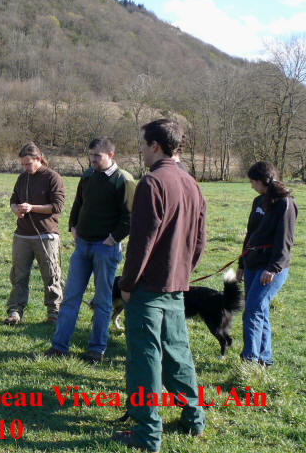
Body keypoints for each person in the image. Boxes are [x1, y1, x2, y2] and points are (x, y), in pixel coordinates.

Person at [112, 119, 207, 452]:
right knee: (178, 353)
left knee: (145, 361)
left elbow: (141, 242)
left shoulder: (152, 183)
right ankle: (194, 418)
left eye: (142, 143)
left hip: (148, 291)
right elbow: (200, 242)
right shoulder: (191, 183)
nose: (140, 149)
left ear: (155, 145)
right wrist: (182, 272)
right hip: (176, 286)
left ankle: (146, 433)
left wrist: (128, 284)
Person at [46, 137, 135, 363]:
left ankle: (96, 349)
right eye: (91, 155)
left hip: (106, 250)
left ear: (110, 156)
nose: (93, 160)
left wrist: (112, 239)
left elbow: (130, 217)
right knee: (70, 299)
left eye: (98, 156)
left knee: (103, 301)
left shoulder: (123, 180)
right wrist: (73, 227)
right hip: (82, 246)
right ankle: (59, 346)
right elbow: (78, 203)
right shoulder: (87, 175)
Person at [237, 161, 297, 367]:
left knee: (252, 309)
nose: (252, 185)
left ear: (264, 180)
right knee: (259, 309)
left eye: (254, 181)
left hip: (271, 265)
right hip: (252, 262)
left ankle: (250, 360)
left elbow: (285, 240)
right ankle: (264, 358)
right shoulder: (258, 201)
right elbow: (250, 234)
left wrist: (273, 268)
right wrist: (241, 264)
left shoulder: (285, 204)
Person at [3, 142, 65, 325]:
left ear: (39, 159)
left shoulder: (53, 177)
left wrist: (32, 208)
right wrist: (16, 209)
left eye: (28, 163)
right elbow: (13, 200)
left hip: (46, 235)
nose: (25, 167)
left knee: (51, 275)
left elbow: (57, 206)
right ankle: (15, 311)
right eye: (22, 164)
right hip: (22, 235)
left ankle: (54, 312)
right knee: (18, 275)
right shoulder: (22, 178)